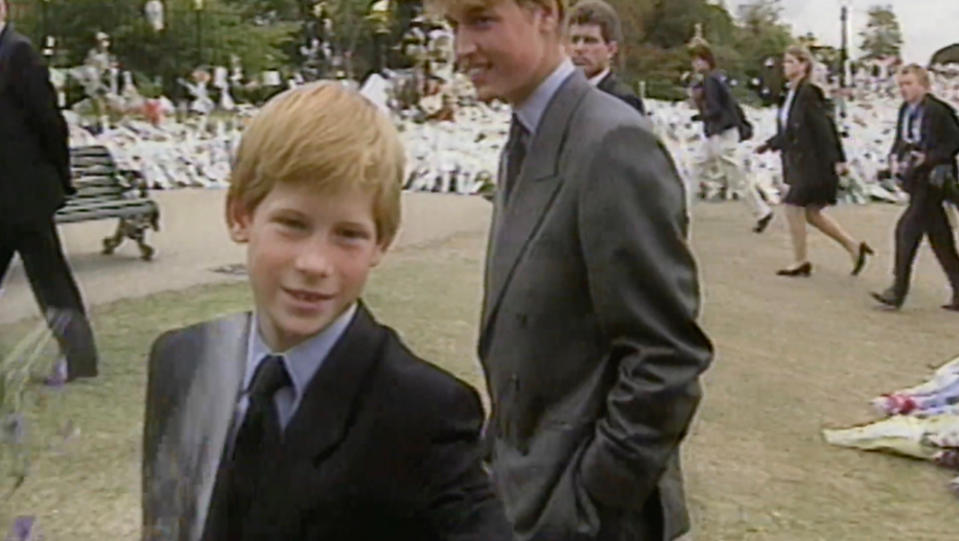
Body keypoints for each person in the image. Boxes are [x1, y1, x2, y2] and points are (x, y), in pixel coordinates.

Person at [141, 83, 511, 541]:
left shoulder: (424, 411)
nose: (315, 264)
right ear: (241, 216)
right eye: (293, 225)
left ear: (381, 243)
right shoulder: (183, 361)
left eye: (348, 234)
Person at [441, 0, 714, 538]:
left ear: (545, 14)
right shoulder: (528, 136)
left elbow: (666, 360)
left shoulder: (612, 143)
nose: (461, 49)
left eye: (480, 20)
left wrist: (588, 503)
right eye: (453, 27)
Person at [0, 1, 99, 384]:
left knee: (50, 278)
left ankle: (80, 359)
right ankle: (80, 359)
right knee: (50, 276)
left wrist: (58, 175)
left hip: (23, 192)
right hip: (8, 196)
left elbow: (48, 121)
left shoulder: (17, 52)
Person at [756, 46, 873, 277]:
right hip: (801, 161)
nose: (785, 66)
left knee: (792, 206)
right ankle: (853, 247)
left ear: (803, 65)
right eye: (785, 62)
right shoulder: (792, 94)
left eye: (790, 61)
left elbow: (825, 128)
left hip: (814, 162)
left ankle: (800, 261)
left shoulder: (809, 92)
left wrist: (838, 159)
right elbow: (790, 130)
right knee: (811, 213)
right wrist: (769, 144)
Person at [871, 64, 959, 310]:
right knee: (940, 237)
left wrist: (928, 158)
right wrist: (894, 158)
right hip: (916, 178)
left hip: (933, 180)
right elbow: (901, 139)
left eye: (909, 84)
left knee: (906, 230)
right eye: (901, 84)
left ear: (924, 85)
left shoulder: (939, 111)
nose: (904, 89)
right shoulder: (905, 110)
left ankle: (898, 291)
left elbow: (954, 142)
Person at [689, 45, 773, 233]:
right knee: (704, 168)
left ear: (706, 61)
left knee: (717, 170)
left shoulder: (710, 81)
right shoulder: (714, 79)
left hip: (720, 132)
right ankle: (761, 211)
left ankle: (761, 211)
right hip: (721, 132)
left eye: (697, 60)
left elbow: (716, 109)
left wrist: (700, 115)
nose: (695, 64)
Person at [566, 0, 644, 115]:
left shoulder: (623, 100)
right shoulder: (558, 96)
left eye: (590, 41)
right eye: (574, 40)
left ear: (611, 49)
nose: (579, 48)